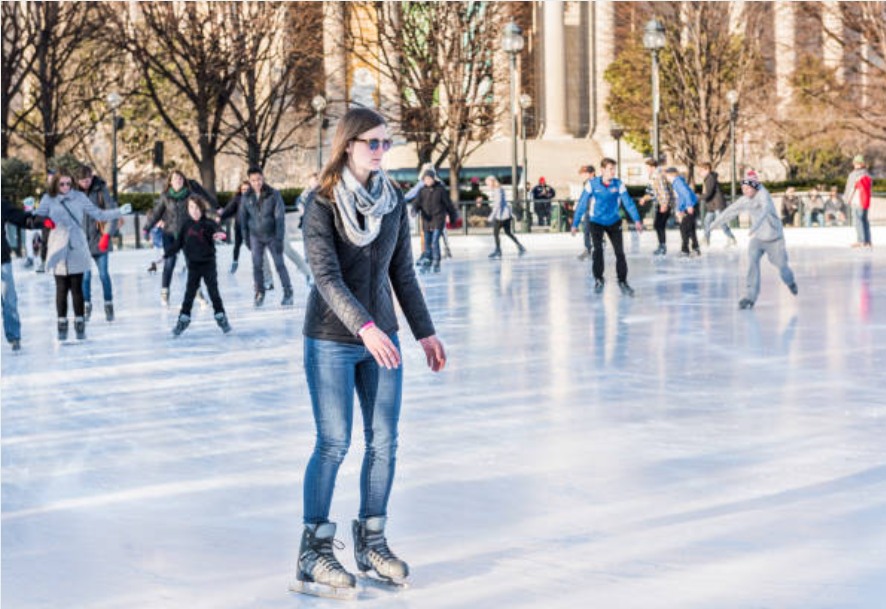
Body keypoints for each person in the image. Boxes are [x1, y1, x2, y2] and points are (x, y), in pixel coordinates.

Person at [296, 107, 447, 598]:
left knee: (384, 441)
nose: (381, 151)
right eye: (373, 143)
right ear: (347, 146)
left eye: (386, 143)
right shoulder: (319, 205)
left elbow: (401, 273)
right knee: (334, 442)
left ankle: (371, 541)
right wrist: (363, 327)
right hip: (332, 338)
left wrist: (424, 332)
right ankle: (313, 549)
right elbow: (326, 277)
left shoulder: (393, 202)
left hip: (381, 337)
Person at [37, 170, 132, 340]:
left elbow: (99, 214)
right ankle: (62, 322)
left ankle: (79, 322)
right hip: (58, 245)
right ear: (55, 184)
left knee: (77, 287)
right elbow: (35, 218)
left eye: (68, 183)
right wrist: (44, 221)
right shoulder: (48, 199)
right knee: (60, 288)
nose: (65, 187)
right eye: (62, 184)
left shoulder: (79, 197)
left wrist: (119, 212)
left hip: (77, 245)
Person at [709, 170, 798, 309]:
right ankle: (750, 297)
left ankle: (790, 281)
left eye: (747, 188)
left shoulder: (764, 195)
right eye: (743, 189)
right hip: (757, 238)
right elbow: (730, 210)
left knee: (782, 266)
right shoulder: (746, 199)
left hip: (774, 238)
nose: (744, 191)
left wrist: (755, 226)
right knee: (752, 264)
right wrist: (714, 224)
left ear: (755, 187)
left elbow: (765, 211)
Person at [571, 157, 643, 295]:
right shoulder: (591, 184)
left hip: (614, 221)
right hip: (596, 222)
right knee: (597, 251)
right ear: (603, 170)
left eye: (614, 169)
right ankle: (599, 279)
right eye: (610, 169)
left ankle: (622, 281)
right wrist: (575, 223)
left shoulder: (618, 184)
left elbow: (628, 203)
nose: (613, 172)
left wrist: (637, 220)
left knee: (620, 253)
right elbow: (581, 204)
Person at [144, 170, 215, 305]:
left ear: (184, 181)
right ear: (170, 181)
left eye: (181, 178)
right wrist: (147, 228)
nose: (178, 181)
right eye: (176, 179)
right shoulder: (165, 196)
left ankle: (197, 292)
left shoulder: (190, 195)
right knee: (170, 262)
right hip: (169, 234)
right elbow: (157, 213)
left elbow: (199, 211)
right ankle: (165, 291)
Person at [166, 194, 231, 336]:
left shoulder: (209, 223)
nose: (194, 210)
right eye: (191, 207)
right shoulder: (186, 225)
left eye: (196, 208)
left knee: (213, 291)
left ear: (201, 209)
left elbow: (222, 233)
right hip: (193, 265)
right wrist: (167, 254)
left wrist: (221, 235)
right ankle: (184, 319)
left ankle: (221, 316)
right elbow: (178, 244)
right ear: (188, 209)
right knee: (189, 293)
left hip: (208, 263)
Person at [240, 166, 293, 307]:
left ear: (263, 178)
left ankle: (288, 292)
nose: (257, 183)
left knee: (279, 264)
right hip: (255, 237)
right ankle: (260, 293)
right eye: (253, 180)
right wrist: (246, 239)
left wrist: (280, 238)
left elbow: (280, 218)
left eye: (259, 179)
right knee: (257, 266)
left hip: (272, 235)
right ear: (249, 181)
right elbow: (243, 220)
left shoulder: (274, 194)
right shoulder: (246, 197)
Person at [75, 165, 119, 322]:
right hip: (82, 244)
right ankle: (86, 305)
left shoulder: (101, 189)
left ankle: (108, 304)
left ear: (91, 177)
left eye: (86, 181)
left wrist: (107, 235)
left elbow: (112, 213)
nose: (84, 184)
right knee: (85, 278)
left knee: (103, 275)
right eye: (81, 181)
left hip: (100, 240)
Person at [2, 197, 48, 351]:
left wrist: (41, 221)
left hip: (2, 260)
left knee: (9, 300)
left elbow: (22, 219)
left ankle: (14, 336)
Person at [413, 169, 458, 273]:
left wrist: (452, 217)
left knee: (434, 241)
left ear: (433, 179)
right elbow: (416, 203)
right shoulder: (422, 191)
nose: (427, 181)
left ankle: (436, 260)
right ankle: (428, 259)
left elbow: (449, 204)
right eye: (425, 179)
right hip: (426, 220)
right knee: (427, 242)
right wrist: (414, 210)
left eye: (429, 178)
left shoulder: (440, 190)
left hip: (438, 219)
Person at [485, 175, 526, 259]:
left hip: (501, 216)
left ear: (492, 182)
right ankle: (520, 246)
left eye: (488, 183)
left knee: (496, 233)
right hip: (506, 215)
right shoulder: (500, 189)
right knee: (508, 232)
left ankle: (498, 250)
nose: (488, 186)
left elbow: (497, 205)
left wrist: (491, 217)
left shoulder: (497, 191)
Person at [665, 167, 701, 257]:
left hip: (691, 205)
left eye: (667, 176)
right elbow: (681, 197)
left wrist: (689, 205)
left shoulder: (677, 182)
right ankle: (695, 248)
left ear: (671, 175)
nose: (666, 178)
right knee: (689, 228)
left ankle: (685, 250)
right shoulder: (677, 182)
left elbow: (686, 193)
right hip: (690, 205)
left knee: (684, 228)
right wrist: (681, 209)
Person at [699, 162, 737, 247]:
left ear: (707, 169)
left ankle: (731, 238)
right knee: (707, 222)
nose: (699, 172)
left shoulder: (710, 178)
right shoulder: (708, 178)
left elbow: (708, 192)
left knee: (721, 222)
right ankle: (706, 239)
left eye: (701, 170)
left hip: (717, 204)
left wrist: (698, 198)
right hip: (712, 205)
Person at [644, 158, 675, 257]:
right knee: (658, 225)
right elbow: (656, 192)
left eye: (647, 167)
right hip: (661, 203)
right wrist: (646, 198)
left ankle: (662, 247)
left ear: (652, 167)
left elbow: (664, 191)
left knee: (659, 225)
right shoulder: (656, 176)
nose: (647, 169)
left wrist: (664, 204)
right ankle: (662, 245)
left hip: (664, 204)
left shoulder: (659, 176)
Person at [845, 155, 872, 248]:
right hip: (865, 201)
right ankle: (867, 241)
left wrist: (847, 200)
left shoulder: (854, 175)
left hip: (857, 201)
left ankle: (861, 241)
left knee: (858, 221)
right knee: (864, 220)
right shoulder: (867, 174)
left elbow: (851, 188)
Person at [575, 165, 596, 260]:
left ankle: (598, 249)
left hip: (596, 210)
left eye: (585, 173)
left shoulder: (598, 182)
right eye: (583, 173)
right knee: (586, 230)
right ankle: (587, 249)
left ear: (592, 173)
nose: (583, 175)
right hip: (587, 210)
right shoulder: (585, 183)